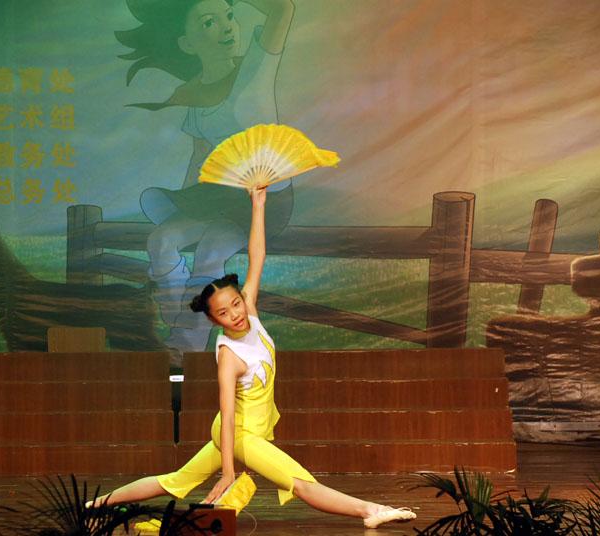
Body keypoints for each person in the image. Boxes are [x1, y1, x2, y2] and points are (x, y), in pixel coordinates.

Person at [90, 187, 416, 529]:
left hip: (247, 429)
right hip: (239, 434)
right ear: (213, 320)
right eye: (224, 313)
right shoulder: (229, 355)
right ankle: (369, 511)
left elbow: (256, 255)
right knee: (299, 482)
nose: (235, 314)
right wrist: (228, 472)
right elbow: (228, 415)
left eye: (236, 304)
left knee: (176, 479)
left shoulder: (251, 312)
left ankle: (96, 504)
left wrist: (258, 205)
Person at [116, 0, 295, 355]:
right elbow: (200, 156)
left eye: (229, 16)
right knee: (161, 240)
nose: (228, 27)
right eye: (210, 22)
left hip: (261, 199)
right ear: (186, 43)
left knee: (211, 250)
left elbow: (282, 9)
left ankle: (185, 347)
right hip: (217, 194)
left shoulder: (256, 67)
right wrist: (186, 207)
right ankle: (180, 329)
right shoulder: (194, 92)